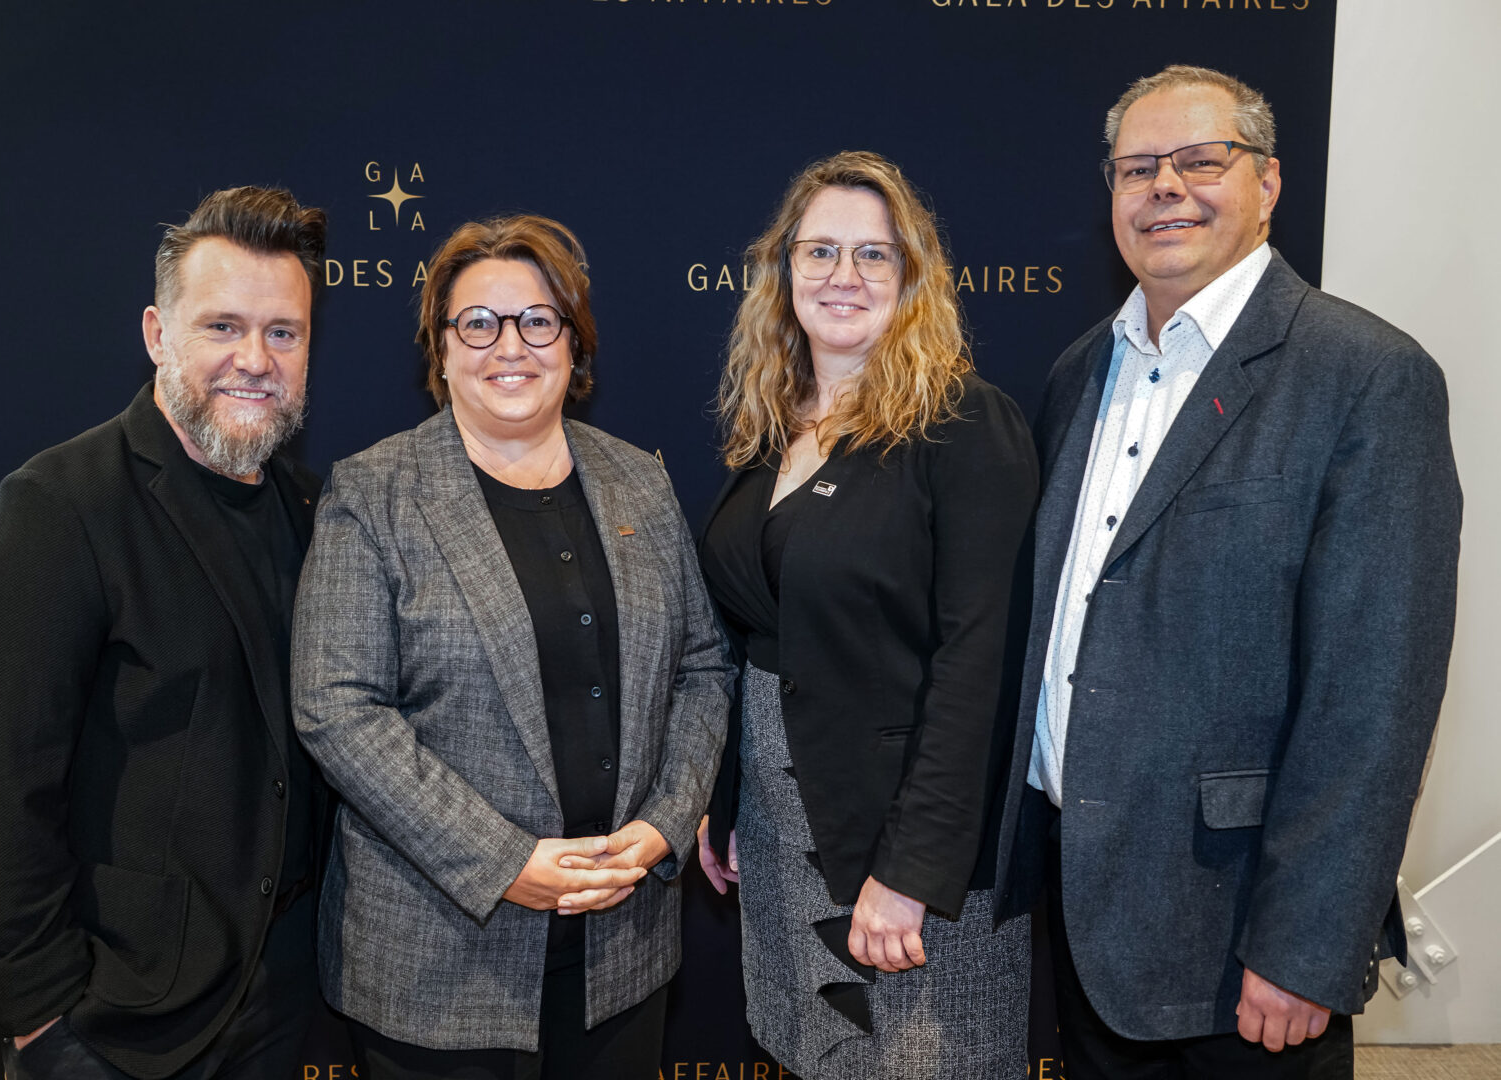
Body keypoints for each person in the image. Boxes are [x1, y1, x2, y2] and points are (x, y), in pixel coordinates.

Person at [993, 65, 1463, 1079]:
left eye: (1202, 159)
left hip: (1244, 948)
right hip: (1086, 915)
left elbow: (1374, 703)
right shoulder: (1082, 371)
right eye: (1137, 168)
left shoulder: (1367, 379)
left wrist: (1307, 948)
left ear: (1269, 182)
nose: (1166, 186)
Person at [291, 214, 733, 1079]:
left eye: (538, 320)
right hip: (439, 962)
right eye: (478, 323)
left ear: (573, 343)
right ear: (441, 351)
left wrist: (663, 825)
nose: (511, 347)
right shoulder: (373, 492)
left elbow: (702, 667)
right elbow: (337, 708)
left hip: (621, 948)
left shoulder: (637, 476)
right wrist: (504, 864)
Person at [0, 186, 332, 1079]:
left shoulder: (310, 510)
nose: (254, 359)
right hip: (110, 1021)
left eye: (283, 332)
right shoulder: (54, 511)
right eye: (222, 327)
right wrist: (38, 1014)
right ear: (157, 334)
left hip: (273, 996)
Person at [695, 150, 1039, 1078]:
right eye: (820, 252)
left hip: (905, 854)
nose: (843, 277)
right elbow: (761, 634)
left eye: (873, 256)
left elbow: (982, 663)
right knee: (813, 1055)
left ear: (912, 278)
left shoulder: (964, 424)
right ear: (784, 272)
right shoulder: (775, 423)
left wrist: (913, 871)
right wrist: (726, 794)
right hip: (781, 826)